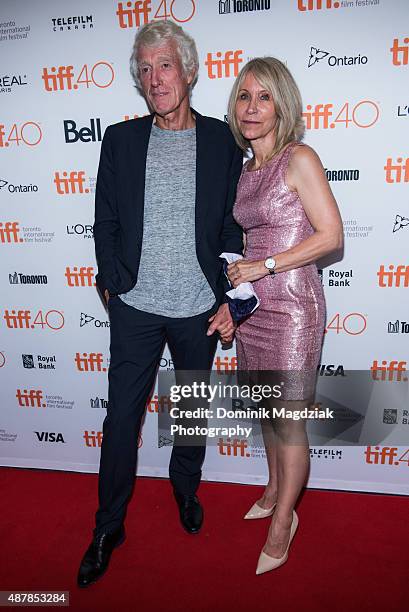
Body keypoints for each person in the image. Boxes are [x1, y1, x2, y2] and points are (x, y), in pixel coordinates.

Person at [77, 19, 243, 588]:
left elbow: (229, 225)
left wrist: (231, 295)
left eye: (165, 64)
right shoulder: (120, 141)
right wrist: (110, 282)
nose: (155, 78)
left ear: (190, 71)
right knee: (122, 417)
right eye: (145, 69)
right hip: (137, 307)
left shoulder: (223, 140)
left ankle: (185, 490)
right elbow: (105, 221)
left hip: (198, 305)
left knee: (189, 412)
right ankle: (107, 526)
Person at [226, 57, 343, 574]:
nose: (251, 108)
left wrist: (266, 264)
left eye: (264, 97)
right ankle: (274, 491)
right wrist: (242, 284)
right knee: (267, 411)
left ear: (283, 105)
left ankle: (283, 524)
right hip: (255, 306)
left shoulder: (300, 157)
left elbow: (331, 236)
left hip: (294, 306)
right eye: (244, 96)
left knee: (288, 421)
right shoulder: (246, 167)